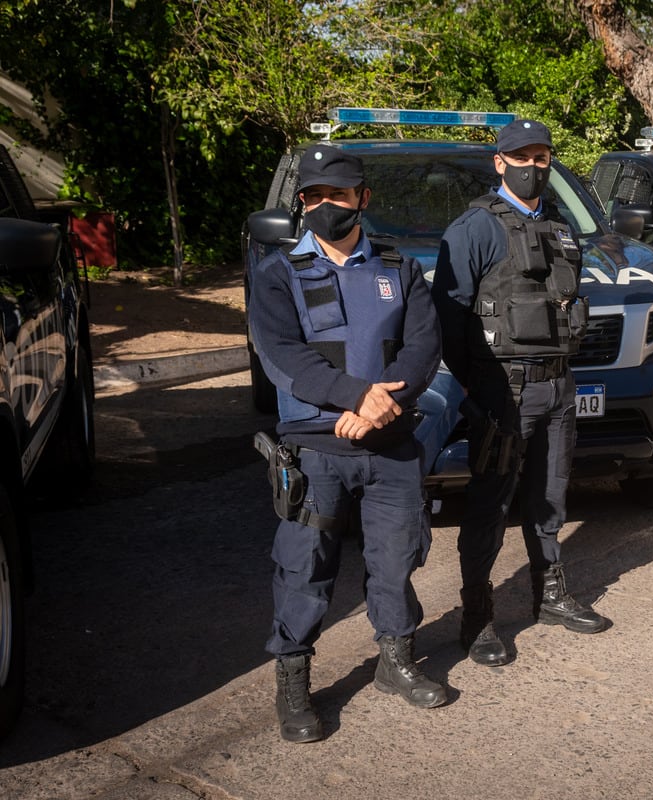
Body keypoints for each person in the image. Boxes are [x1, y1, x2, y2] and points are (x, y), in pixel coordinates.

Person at [249, 144, 445, 743]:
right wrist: (355, 396)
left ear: (363, 197)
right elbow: (282, 355)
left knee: (396, 560)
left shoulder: (399, 268)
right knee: (305, 568)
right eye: (315, 196)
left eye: (339, 194)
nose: (326, 205)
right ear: (302, 202)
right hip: (316, 446)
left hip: (389, 440)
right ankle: (294, 680)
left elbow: (423, 347)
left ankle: (395, 659)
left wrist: (381, 405)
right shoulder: (277, 273)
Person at [432, 118, 610, 668]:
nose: (536, 166)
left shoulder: (558, 226)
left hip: (559, 385)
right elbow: (449, 315)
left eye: (543, 157)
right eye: (524, 157)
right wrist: (476, 384)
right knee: (489, 504)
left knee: (551, 496)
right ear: (499, 162)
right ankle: (477, 616)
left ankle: (551, 594)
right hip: (504, 390)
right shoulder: (475, 228)